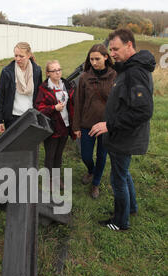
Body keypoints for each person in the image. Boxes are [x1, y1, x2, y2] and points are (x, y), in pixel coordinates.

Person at [89, 29, 155, 231]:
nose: (113, 53)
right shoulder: (129, 69)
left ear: (129, 45)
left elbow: (143, 110)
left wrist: (109, 124)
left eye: (116, 49)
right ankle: (131, 208)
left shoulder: (135, 73)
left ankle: (120, 221)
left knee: (118, 179)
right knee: (123, 173)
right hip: (121, 135)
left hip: (123, 136)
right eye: (111, 49)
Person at [73, 44, 116, 199]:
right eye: (91, 59)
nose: (94, 62)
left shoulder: (115, 75)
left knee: (102, 156)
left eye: (97, 58)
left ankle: (96, 183)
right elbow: (78, 102)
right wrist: (76, 126)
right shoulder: (84, 77)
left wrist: (113, 123)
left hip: (106, 125)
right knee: (85, 155)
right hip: (87, 123)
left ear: (106, 57)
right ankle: (91, 170)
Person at [35, 60, 76, 188]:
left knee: (59, 154)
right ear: (48, 73)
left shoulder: (66, 85)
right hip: (52, 127)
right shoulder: (44, 88)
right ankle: (49, 180)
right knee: (50, 155)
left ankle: (57, 178)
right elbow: (39, 108)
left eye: (59, 69)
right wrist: (53, 108)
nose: (58, 73)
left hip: (65, 125)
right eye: (54, 71)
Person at [0, 42, 42, 132]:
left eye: (21, 56)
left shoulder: (37, 71)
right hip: (12, 117)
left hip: (30, 115)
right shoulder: (7, 71)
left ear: (28, 55)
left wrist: (38, 114)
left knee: (29, 144)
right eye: (16, 55)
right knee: (14, 145)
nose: (18, 59)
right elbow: (1, 95)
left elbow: (38, 95)